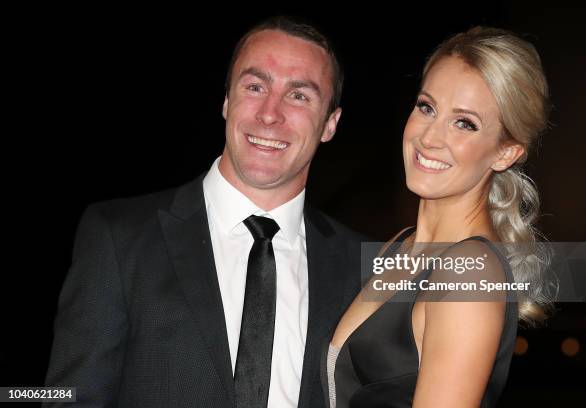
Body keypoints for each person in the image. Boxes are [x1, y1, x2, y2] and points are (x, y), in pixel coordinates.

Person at [45, 16, 366, 408]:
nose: (270, 113)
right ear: (227, 100)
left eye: (299, 95)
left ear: (330, 123)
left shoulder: (363, 264)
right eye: (255, 86)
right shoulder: (118, 235)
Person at [323, 27, 555, 407]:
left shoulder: (469, 271)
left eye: (464, 123)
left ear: (505, 153)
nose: (429, 137)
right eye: (426, 107)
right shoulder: (400, 246)